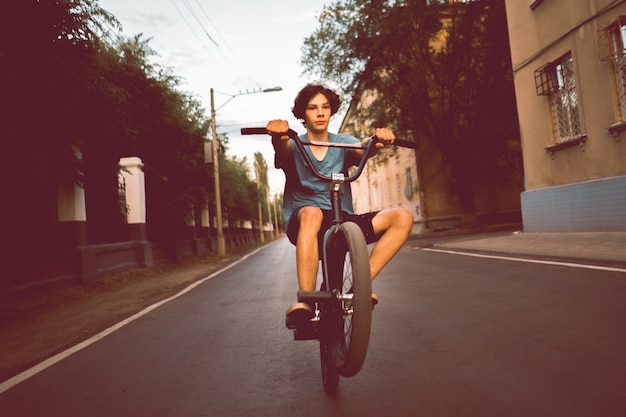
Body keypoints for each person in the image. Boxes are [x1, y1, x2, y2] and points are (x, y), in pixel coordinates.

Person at [267, 83, 414, 329]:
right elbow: (282, 149)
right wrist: (277, 135)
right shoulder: (294, 144)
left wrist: (376, 141)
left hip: (340, 221)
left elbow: (361, 149)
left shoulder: (343, 142)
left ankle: (357, 291)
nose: (321, 112)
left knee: (402, 217)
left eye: (325, 107)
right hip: (304, 223)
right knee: (313, 212)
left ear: (332, 111)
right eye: (313, 108)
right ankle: (307, 301)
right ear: (303, 114)